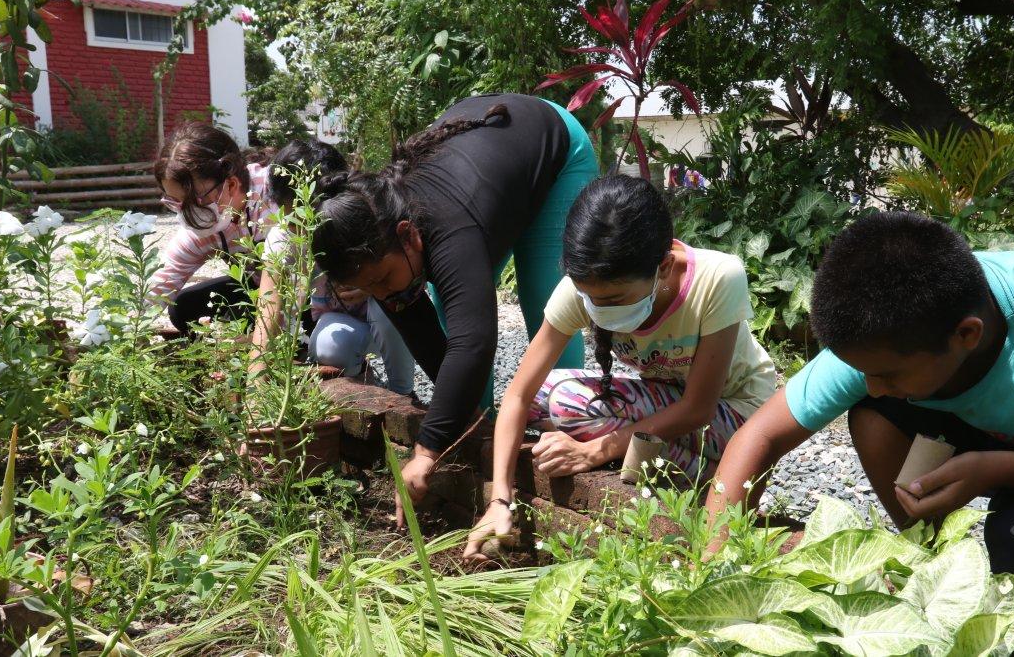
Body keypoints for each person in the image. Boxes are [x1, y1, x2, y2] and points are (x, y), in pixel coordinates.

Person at [705, 211, 1014, 615]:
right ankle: (934, 565)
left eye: (889, 375)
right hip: (992, 434)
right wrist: (711, 572)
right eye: (863, 371)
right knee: (874, 414)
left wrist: (1000, 469)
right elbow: (760, 437)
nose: (872, 384)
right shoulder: (886, 330)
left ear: (967, 335)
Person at [311, 93, 598, 522]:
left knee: (548, 303)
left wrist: (426, 451)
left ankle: (566, 429)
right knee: (450, 308)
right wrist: (453, 432)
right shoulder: (380, 242)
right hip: (489, 180)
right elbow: (428, 336)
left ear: (409, 235)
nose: (383, 295)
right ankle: (480, 431)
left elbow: (474, 342)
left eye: (384, 280)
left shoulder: (448, 227)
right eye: (368, 288)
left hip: (553, 150)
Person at [463, 175, 778, 560]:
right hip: (669, 404)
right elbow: (518, 394)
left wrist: (593, 452)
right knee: (550, 395)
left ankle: (718, 477)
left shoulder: (717, 278)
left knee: (565, 404)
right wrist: (499, 497)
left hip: (737, 416)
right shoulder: (585, 288)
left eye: (615, 299)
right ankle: (683, 468)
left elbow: (699, 407)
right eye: (590, 297)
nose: (601, 308)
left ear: (663, 267)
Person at [253, 139, 415, 392]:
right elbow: (268, 311)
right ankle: (357, 383)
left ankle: (402, 392)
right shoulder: (285, 236)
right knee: (329, 346)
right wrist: (256, 389)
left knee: (387, 310)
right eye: (292, 216)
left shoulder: (363, 220)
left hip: (387, 313)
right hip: (340, 319)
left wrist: (374, 283)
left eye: (308, 215)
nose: (301, 227)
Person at [151, 122, 276, 334]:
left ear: (231, 184)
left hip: (304, 290)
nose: (187, 214)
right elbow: (160, 285)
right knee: (183, 309)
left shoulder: (274, 197)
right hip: (257, 289)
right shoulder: (206, 226)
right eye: (175, 202)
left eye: (194, 201)